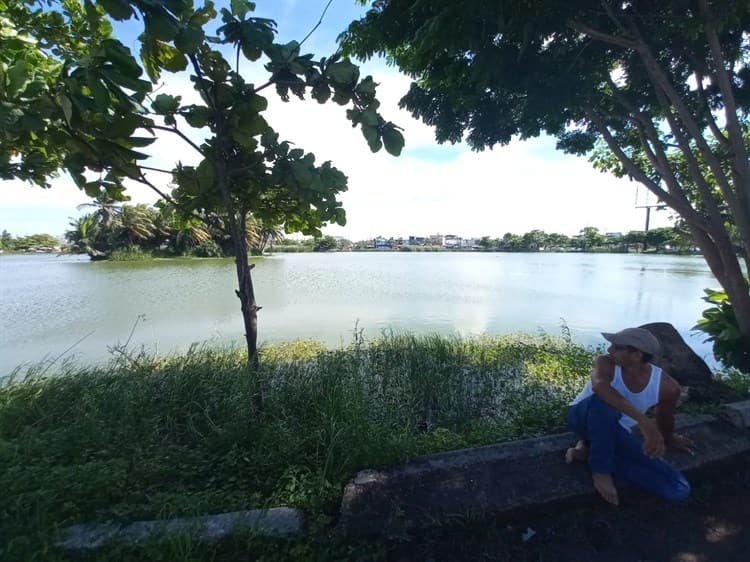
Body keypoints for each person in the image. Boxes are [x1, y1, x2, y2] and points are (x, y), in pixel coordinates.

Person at [565, 327, 695, 506]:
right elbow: (600, 387)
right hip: (582, 417)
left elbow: (664, 417)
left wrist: (669, 439)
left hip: (615, 433)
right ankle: (600, 469)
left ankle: (589, 453)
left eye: (617, 347)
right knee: (604, 403)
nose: (610, 350)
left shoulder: (667, 387)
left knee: (678, 487)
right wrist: (644, 422)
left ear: (636, 355)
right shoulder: (605, 362)